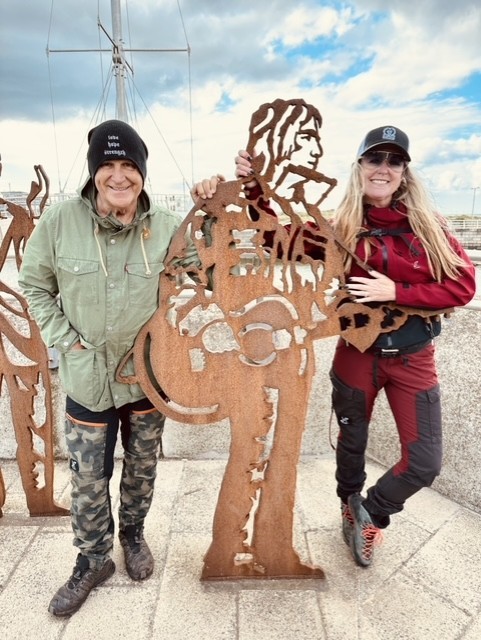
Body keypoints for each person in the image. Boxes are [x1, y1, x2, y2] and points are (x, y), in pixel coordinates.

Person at [198, 123, 476, 569]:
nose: (383, 168)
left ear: (404, 172)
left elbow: (463, 286)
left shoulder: (430, 228)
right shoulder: (340, 227)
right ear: (360, 167)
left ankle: (372, 511)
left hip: (414, 358)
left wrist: (396, 291)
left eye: (394, 161)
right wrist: (253, 185)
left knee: (424, 461)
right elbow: (276, 238)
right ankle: (350, 513)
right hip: (357, 356)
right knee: (351, 445)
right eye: (375, 159)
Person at [18, 119, 199, 615]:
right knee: (88, 477)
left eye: (129, 166)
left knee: (141, 468)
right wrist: (67, 343)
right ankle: (93, 557)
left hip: (145, 378)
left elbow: (215, 269)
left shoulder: (165, 227)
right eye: (108, 165)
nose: (119, 176)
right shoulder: (59, 223)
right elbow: (34, 286)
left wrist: (212, 205)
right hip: (87, 379)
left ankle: (134, 536)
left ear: (142, 173)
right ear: (94, 171)